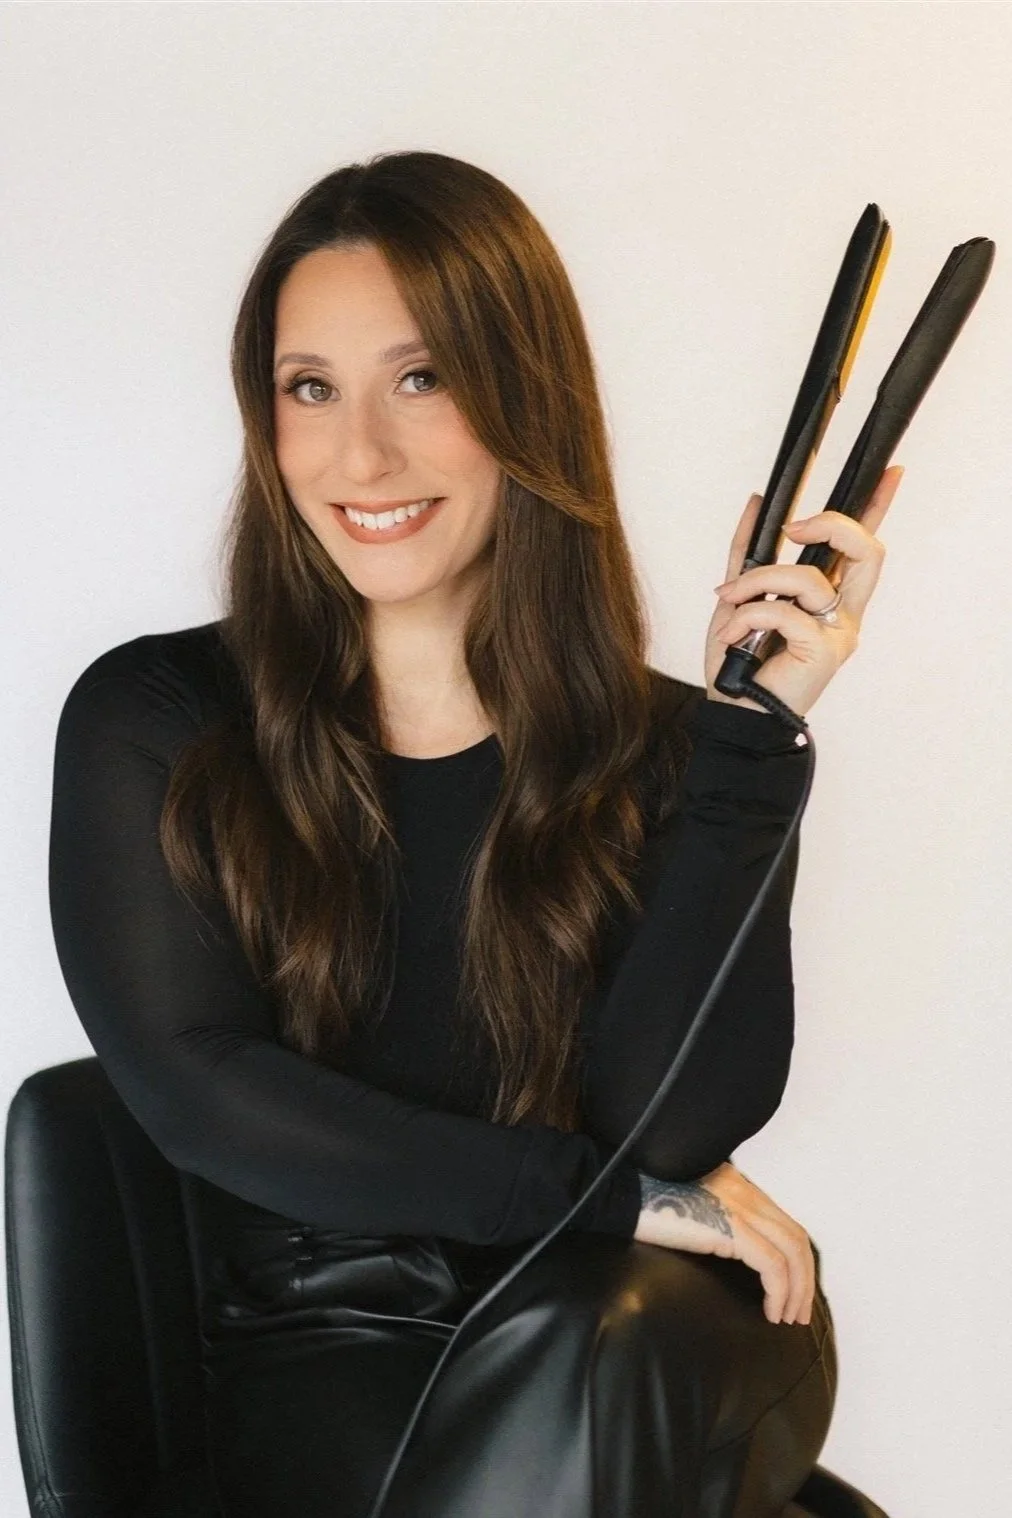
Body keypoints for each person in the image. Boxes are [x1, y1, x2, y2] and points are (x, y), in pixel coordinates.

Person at [48, 151, 901, 1518]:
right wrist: (598, 1192)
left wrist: (754, 742)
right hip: (321, 1381)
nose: (360, 454)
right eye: (308, 388)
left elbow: (674, 1118)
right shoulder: (156, 723)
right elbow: (200, 1087)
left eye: (423, 378)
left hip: (614, 1340)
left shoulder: (674, 751)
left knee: (615, 1347)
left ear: (523, 399)